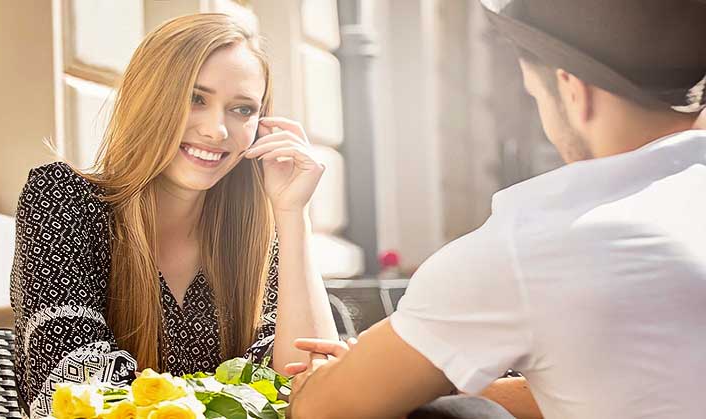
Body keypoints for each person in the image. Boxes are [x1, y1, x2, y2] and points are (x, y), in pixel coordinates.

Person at [285, 1, 706, 418]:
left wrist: (328, 378)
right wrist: (441, 366)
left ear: (573, 92)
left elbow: (324, 410)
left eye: (536, 97)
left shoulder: (535, 242)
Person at [9, 13, 337, 418]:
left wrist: (293, 216)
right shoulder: (63, 199)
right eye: (195, 98)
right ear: (150, 98)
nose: (217, 131)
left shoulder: (253, 237)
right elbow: (76, 388)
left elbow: (314, 391)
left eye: (241, 109)